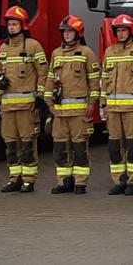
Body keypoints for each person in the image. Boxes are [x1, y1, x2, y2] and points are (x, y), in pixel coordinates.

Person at [99, 14, 133, 195]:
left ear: (131, 31)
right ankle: (118, 181)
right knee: (114, 146)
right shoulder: (110, 51)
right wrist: (103, 103)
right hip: (113, 110)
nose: (120, 34)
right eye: (118, 31)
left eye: (123, 30)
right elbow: (104, 79)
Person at [0, 5, 48, 193]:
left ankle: (28, 180)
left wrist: (41, 97)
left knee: (27, 144)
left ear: (23, 25)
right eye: (9, 24)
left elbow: (43, 73)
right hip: (8, 107)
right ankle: (14, 178)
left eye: (15, 24)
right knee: (10, 144)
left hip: (27, 106)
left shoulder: (33, 46)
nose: (11, 27)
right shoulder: (3, 48)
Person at [44, 15, 96, 194]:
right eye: (64, 32)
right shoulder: (56, 54)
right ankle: (64, 182)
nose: (67, 35)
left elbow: (94, 81)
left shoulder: (87, 53)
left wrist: (92, 103)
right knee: (60, 148)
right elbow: (50, 79)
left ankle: (80, 182)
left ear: (78, 33)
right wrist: (49, 102)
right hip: (59, 112)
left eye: (70, 31)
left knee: (79, 148)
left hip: (79, 111)